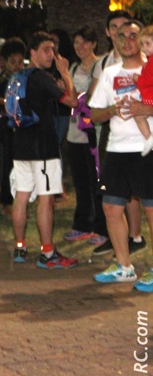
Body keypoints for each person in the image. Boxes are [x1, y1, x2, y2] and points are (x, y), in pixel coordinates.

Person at [89, 20, 153, 293]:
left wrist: (144, 108)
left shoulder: (150, 66)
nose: (127, 41)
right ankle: (124, 267)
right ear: (115, 39)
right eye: (122, 36)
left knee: (151, 210)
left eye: (134, 36)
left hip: (146, 148)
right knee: (111, 208)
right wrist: (112, 111)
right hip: (116, 148)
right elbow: (93, 114)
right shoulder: (109, 72)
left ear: (141, 40)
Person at [11, 31, 78, 269]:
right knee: (45, 199)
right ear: (33, 52)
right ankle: (47, 253)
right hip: (44, 146)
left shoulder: (19, 75)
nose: (52, 55)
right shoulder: (42, 77)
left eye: (53, 50)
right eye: (46, 50)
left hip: (21, 145)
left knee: (21, 196)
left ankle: (20, 248)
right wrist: (65, 73)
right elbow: (72, 101)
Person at [62, 26, 108, 243]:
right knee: (80, 181)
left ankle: (101, 227)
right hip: (74, 132)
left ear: (94, 44)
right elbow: (69, 96)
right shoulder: (72, 68)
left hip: (93, 133)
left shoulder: (101, 66)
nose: (80, 47)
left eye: (85, 42)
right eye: (76, 43)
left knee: (96, 181)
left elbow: (93, 98)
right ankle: (83, 224)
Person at [0, 37, 26, 218]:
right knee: (6, 166)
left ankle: (21, 202)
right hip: (5, 130)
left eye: (20, 62)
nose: (17, 66)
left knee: (22, 167)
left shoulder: (27, 79)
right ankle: (6, 201)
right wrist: (5, 102)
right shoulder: (4, 81)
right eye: (13, 62)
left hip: (23, 129)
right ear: (7, 63)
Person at [133, 25, 153, 156]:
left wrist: (138, 79)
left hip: (150, 98)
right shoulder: (149, 61)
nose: (144, 47)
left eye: (148, 43)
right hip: (148, 96)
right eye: (142, 44)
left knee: (138, 115)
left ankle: (149, 138)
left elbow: (149, 80)